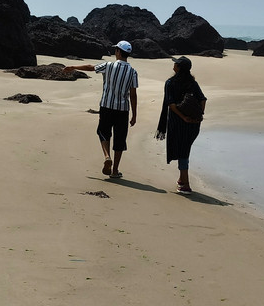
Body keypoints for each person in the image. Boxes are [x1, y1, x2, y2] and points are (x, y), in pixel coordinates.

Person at [64, 40, 138, 178]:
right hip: (123, 109)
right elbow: (133, 95)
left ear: (118, 52)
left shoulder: (109, 65)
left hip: (106, 105)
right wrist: (134, 115)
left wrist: (73, 66)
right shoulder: (133, 72)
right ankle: (115, 171)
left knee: (103, 131)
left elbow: (91, 67)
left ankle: (106, 156)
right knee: (120, 138)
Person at [155, 56, 206, 194]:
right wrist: (199, 116)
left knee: (182, 152)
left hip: (177, 122)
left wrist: (183, 117)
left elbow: (171, 105)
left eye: (175, 64)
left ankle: (186, 185)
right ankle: (182, 179)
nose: (174, 65)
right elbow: (202, 99)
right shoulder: (192, 83)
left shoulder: (170, 83)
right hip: (193, 124)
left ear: (178, 68)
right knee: (185, 149)